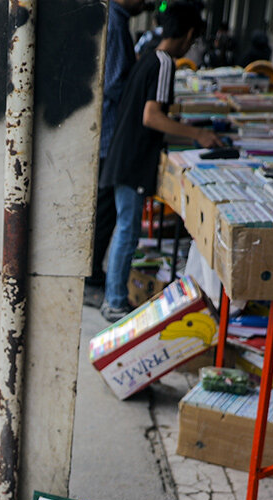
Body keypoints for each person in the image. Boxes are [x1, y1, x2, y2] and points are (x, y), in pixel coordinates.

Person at [99, 1, 222, 323]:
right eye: (194, 40)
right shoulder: (164, 61)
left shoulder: (148, 56)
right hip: (133, 158)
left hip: (123, 154)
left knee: (124, 228)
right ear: (190, 33)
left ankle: (114, 298)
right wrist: (198, 134)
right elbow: (152, 116)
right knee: (127, 231)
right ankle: (114, 301)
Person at [87, 0, 149, 308]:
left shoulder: (118, 21)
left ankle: (94, 274)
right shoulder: (113, 24)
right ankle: (92, 276)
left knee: (108, 208)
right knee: (106, 208)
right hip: (109, 131)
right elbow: (111, 83)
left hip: (110, 131)